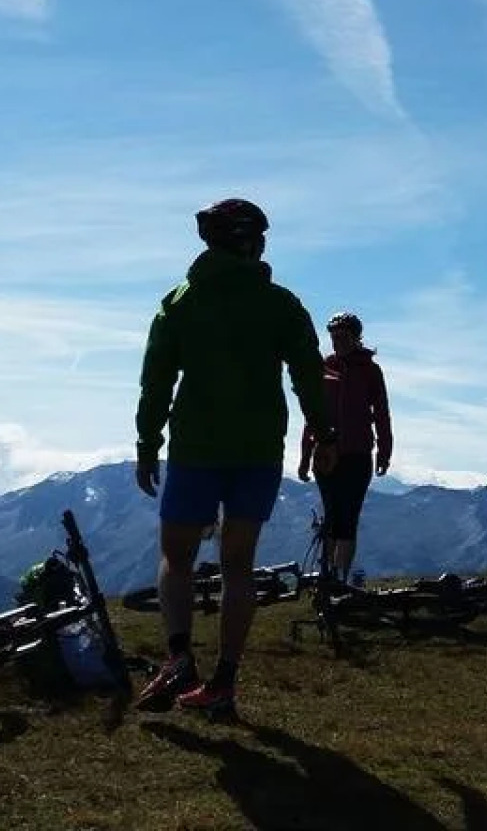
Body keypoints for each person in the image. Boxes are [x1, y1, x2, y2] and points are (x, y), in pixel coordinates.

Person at [132, 197, 337, 719]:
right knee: (238, 565)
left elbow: (155, 381)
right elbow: (309, 375)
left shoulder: (179, 303)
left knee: (177, 557)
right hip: (259, 450)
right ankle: (223, 682)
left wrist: (146, 443)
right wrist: (325, 431)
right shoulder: (282, 305)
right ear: (252, 243)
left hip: (196, 448)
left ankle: (179, 656)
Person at [298, 311, 393, 586]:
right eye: (333, 337)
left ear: (355, 337)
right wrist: (305, 455)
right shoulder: (325, 368)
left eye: (342, 337)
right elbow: (312, 415)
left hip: (358, 453)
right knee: (332, 515)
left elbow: (382, 413)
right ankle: (327, 577)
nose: (336, 342)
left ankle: (339, 579)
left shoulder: (370, 371)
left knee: (348, 517)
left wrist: (384, 451)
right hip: (325, 455)